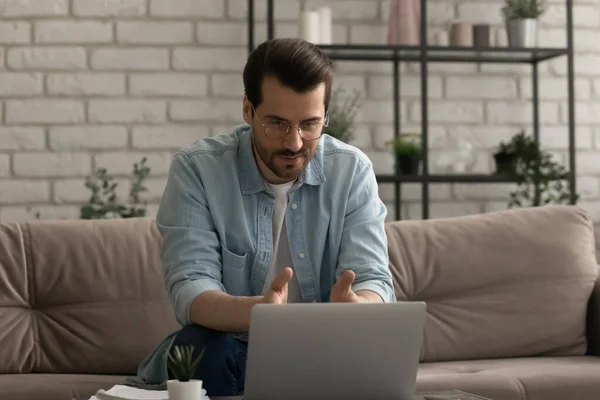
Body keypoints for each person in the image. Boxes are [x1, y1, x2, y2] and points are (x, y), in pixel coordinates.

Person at [127, 37, 396, 397]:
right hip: (232, 348)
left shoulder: (351, 170)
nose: (294, 143)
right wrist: (260, 313)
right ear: (247, 109)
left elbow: (374, 278)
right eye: (277, 123)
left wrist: (359, 308)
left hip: (326, 350)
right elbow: (190, 290)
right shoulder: (198, 170)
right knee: (201, 347)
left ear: (325, 117)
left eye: (310, 124)